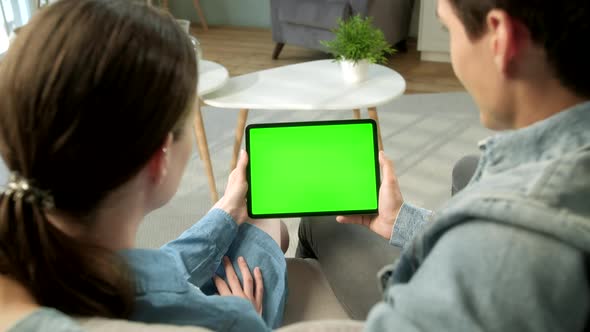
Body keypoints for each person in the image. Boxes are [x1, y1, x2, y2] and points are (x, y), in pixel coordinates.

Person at [297, 0, 590, 330]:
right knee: (467, 167)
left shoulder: (506, 246)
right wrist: (401, 222)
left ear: (501, 39)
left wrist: (243, 315)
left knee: (322, 217)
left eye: (448, 30)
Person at [0, 1, 286, 331]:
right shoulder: (230, 321)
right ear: (160, 158)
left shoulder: (26, 260)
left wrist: (226, 210)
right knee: (268, 226)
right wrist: (247, 315)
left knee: (247, 219)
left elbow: (150, 272)